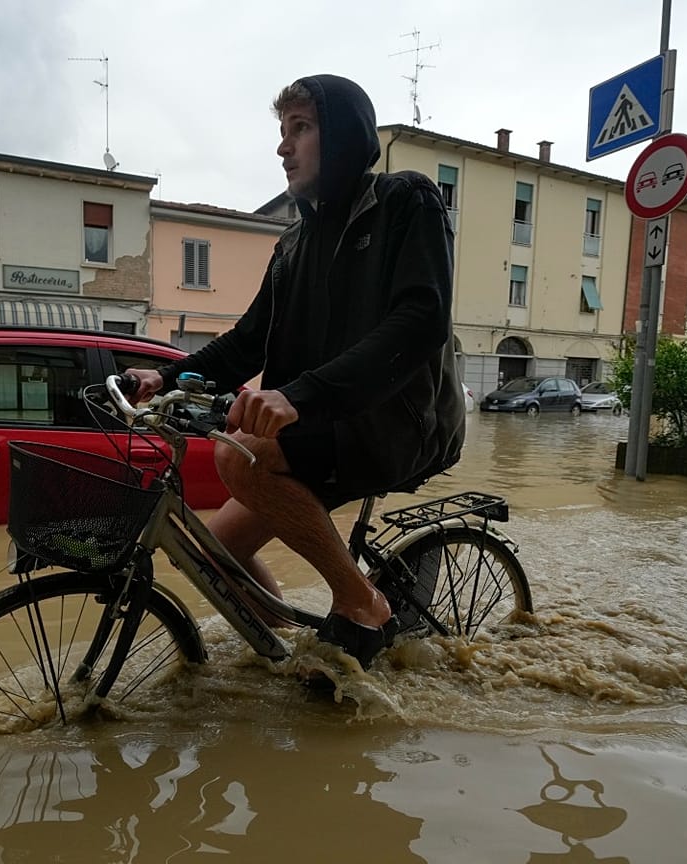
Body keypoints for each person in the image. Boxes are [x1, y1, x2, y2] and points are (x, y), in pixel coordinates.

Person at [126, 74, 464, 669]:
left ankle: (363, 603)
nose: (284, 147)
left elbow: (422, 319)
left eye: (300, 129)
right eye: (281, 132)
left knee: (239, 452)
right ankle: (285, 659)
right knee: (214, 554)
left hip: (398, 420)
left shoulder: (405, 200)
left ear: (344, 136)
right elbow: (246, 343)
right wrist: (169, 379)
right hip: (325, 421)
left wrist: (300, 396)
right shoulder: (291, 244)